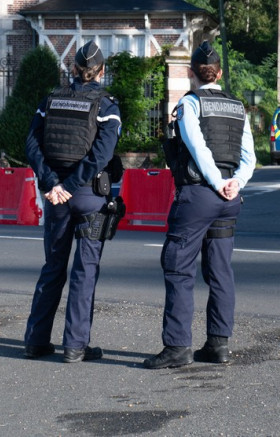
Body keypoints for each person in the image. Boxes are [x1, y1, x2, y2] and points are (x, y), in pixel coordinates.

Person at [144, 41, 255, 369]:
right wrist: (235, 184)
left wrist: (217, 183)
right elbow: (248, 157)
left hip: (200, 194)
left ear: (193, 73)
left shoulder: (191, 103)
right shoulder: (237, 106)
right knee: (220, 270)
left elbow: (196, 146)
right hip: (230, 199)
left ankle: (178, 347)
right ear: (219, 73)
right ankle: (218, 345)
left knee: (178, 267)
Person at [22, 40, 122, 363]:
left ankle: (36, 341)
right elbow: (101, 155)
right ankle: (75, 346)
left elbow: (32, 144)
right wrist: (69, 184)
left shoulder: (50, 100)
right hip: (88, 194)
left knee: (53, 266)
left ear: (75, 69)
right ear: (101, 71)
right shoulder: (107, 106)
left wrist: (53, 183)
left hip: (56, 197)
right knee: (84, 270)